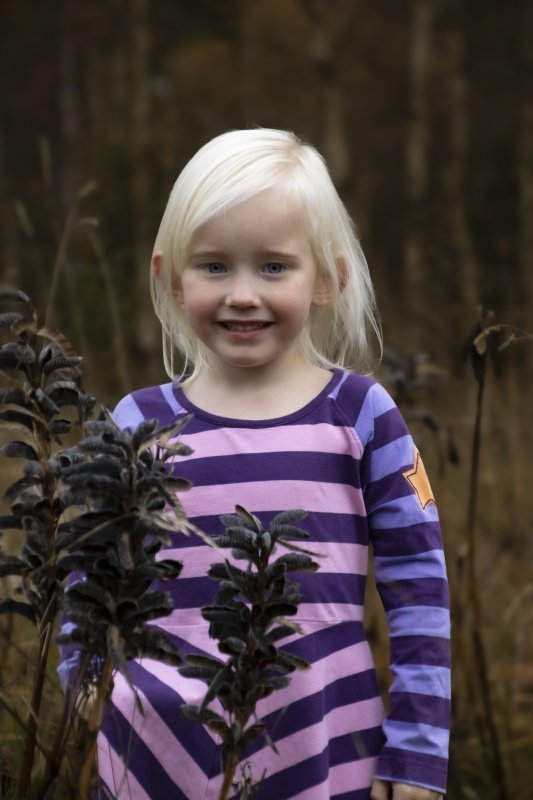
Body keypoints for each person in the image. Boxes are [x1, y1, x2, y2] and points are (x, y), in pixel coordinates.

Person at [98, 128, 451, 799]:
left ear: (327, 278)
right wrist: (90, 697)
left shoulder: (360, 415)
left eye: (272, 266)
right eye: (213, 266)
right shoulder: (135, 425)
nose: (241, 294)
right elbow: (88, 581)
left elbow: (419, 593)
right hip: (149, 759)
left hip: (325, 753)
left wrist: (416, 755)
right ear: (168, 278)